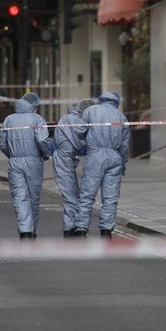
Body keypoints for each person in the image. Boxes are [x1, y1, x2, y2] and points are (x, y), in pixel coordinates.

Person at [71, 91, 131, 238]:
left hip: (95, 155)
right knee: (110, 196)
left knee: (87, 194)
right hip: (114, 157)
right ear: (116, 102)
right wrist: (123, 161)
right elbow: (124, 145)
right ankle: (106, 231)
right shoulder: (121, 116)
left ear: (101, 100)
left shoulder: (90, 111)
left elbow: (79, 131)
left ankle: (81, 229)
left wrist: (86, 142)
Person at [0, 92, 52, 240]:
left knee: (19, 197)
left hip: (15, 162)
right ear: (34, 105)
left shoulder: (9, 119)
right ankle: (31, 231)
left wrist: (12, 155)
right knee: (33, 198)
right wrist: (46, 154)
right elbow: (42, 141)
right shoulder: (37, 119)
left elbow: (2, 143)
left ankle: (24, 231)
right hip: (33, 161)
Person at [53, 98, 96, 238]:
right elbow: (79, 142)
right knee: (70, 196)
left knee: (73, 195)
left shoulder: (71, 119)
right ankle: (69, 230)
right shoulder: (71, 120)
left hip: (67, 160)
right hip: (63, 161)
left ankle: (71, 227)